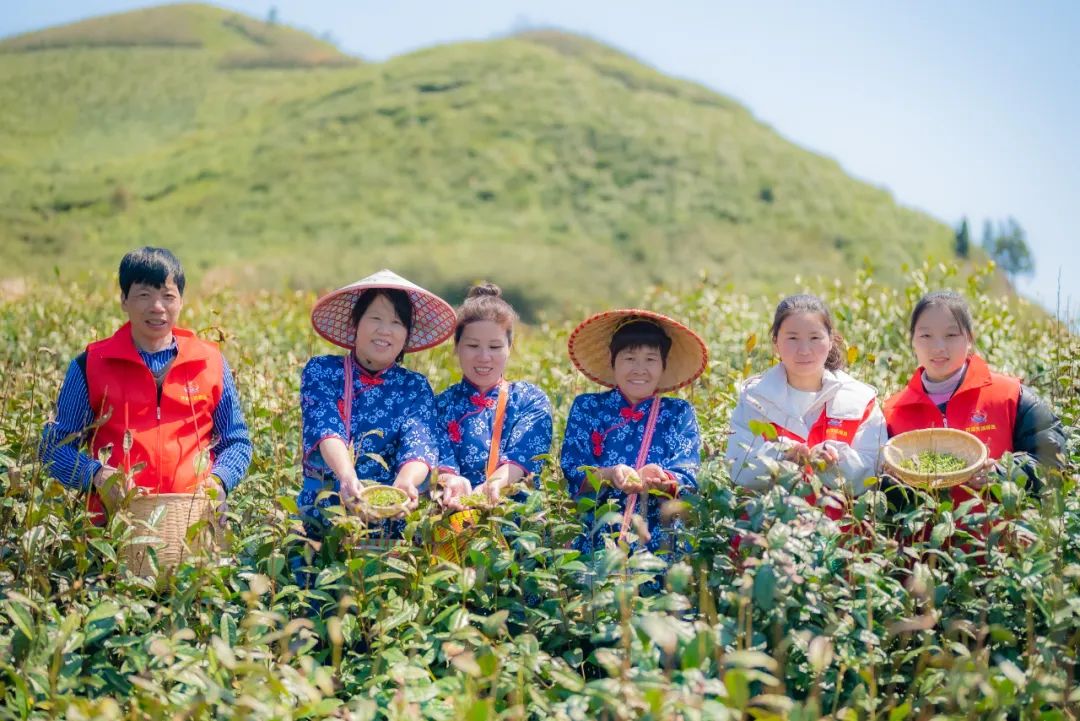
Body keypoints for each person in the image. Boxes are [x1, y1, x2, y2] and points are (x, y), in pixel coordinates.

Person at [39, 247, 251, 521]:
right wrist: (95, 475)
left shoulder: (210, 362)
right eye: (144, 295)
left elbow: (237, 441)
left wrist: (220, 481)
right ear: (124, 300)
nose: (157, 307)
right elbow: (53, 448)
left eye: (168, 296)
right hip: (113, 527)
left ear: (181, 301)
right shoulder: (90, 364)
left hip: (193, 524)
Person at [299, 269, 455, 540]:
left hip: (392, 522)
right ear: (355, 325)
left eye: (396, 322)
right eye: (375, 318)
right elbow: (326, 430)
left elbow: (420, 444)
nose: (385, 330)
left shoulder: (414, 386)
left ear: (406, 335)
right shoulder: (323, 371)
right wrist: (347, 477)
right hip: (327, 518)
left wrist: (406, 482)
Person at [883, 290, 1065, 505]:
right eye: (925, 336)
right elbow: (880, 504)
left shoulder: (1010, 395)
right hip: (925, 538)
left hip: (997, 538)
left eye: (951, 335)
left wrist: (1002, 473)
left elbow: (1053, 462)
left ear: (969, 338)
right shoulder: (891, 412)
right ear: (912, 341)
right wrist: (890, 484)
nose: (938, 347)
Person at [726, 294, 886, 519]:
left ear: (831, 341)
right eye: (792, 338)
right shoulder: (754, 398)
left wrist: (832, 460)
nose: (804, 350)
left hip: (841, 537)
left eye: (814, 337)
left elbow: (873, 472)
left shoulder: (859, 399)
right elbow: (738, 467)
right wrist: (784, 455)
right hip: (769, 532)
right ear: (775, 343)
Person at [560, 310, 705, 555]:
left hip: (660, 540)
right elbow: (572, 469)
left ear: (663, 364)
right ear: (612, 361)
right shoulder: (588, 407)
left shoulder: (678, 412)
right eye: (629, 358)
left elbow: (689, 477)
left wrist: (661, 478)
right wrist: (609, 474)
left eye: (651, 359)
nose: (640, 369)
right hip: (596, 535)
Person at [435, 283, 553, 509]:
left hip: (515, 523)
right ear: (457, 345)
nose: (484, 357)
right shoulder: (441, 404)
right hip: (454, 519)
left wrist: (493, 485)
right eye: (472, 345)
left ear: (510, 347)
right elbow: (440, 460)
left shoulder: (530, 399)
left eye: (495, 346)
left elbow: (525, 454)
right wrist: (451, 481)